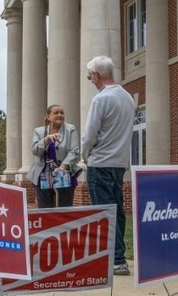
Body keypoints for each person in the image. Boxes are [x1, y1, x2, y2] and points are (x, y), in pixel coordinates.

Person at [82, 56, 135, 276]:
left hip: (100, 163)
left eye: (90, 77)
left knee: (103, 213)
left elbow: (89, 135)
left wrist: (85, 157)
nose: (91, 81)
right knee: (117, 211)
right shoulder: (128, 98)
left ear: (96, 75)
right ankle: (117, 257)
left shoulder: (100, 100)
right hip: (119, 165)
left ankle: (113, 260)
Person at [26, 104, 80, 208]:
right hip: (42, 175)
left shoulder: (70, 129)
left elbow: (75, 151)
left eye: (62, 113)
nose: (60, 115)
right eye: (56, 113)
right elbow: (35, 151)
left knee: (65, 208)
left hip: (63, 174)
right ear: (48, 117)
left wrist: (63, 167)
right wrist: (46, 140)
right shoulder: (39, 131)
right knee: (45, 210)